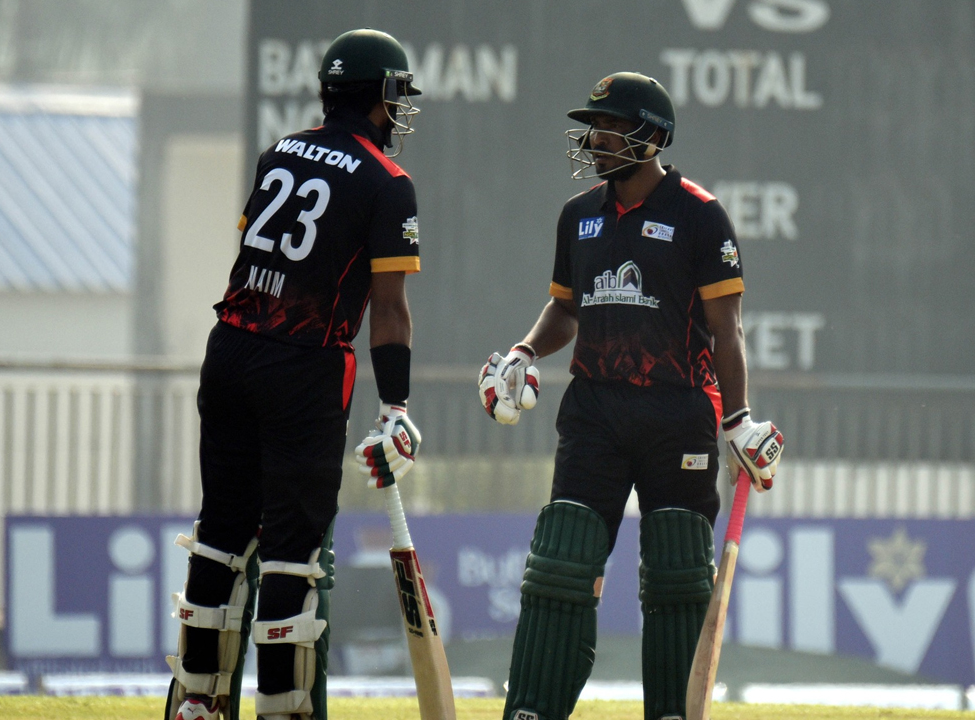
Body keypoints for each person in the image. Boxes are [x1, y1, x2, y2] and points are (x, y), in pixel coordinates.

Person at [478, 71, 785, 720]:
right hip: (594, 412)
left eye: (611, 126)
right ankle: (531, 710)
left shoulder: (700, 215)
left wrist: (737, 421)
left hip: (679, 413)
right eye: (594, 126)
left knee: (677, 574)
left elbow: (727, 329)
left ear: (651, 136)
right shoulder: (579, 215)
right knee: (561, 563)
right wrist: (524, 352)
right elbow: (566, 308)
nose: (596, 138)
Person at [164, 28, 425, 720]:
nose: (400, 110)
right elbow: (389, 309)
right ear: (378, 96)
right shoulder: (388, 182)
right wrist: (395, 406)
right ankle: (283, 708)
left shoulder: (279, 151)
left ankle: (197, 701)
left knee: (220, 534)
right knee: (291, 552)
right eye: (397, 95)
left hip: (230, 348)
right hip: (304, 365)